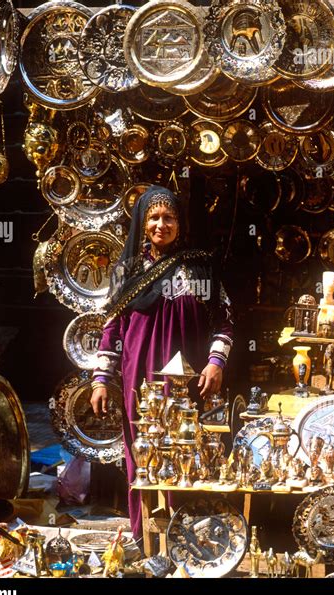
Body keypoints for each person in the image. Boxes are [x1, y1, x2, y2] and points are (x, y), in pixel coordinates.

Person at [90, 185, 233, 539]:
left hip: (187, 383)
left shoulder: (200, 267)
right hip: (139, 383)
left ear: (180, 223)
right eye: (153, 217)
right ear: (142, 223)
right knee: (143, 454)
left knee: (186, 452)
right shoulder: (127, 272)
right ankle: (145, 540)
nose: (161, 224)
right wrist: (101, 379)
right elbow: (112, 329)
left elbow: (225, 320)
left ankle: (188, 540)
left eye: (169, 217)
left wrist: (216, 362)